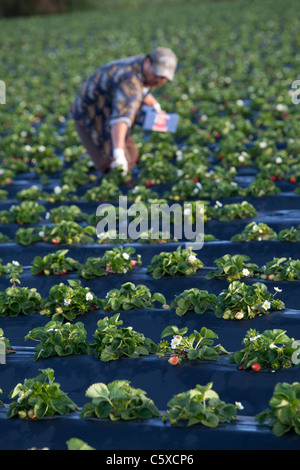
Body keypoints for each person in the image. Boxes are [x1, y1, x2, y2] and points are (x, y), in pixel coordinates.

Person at [70, 47, 177, 176]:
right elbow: (120, 119)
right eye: (157, 74)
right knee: (111, 164)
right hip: (91, 115)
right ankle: (114, 193)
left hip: (109, 108)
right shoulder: (130, 81)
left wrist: (154, 104)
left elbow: (141, 89)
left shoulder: (139, 66)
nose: (159, 80)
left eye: (163, 78)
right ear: (148, 62)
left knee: (131, 154)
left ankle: (122, 186)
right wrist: (118, 154)